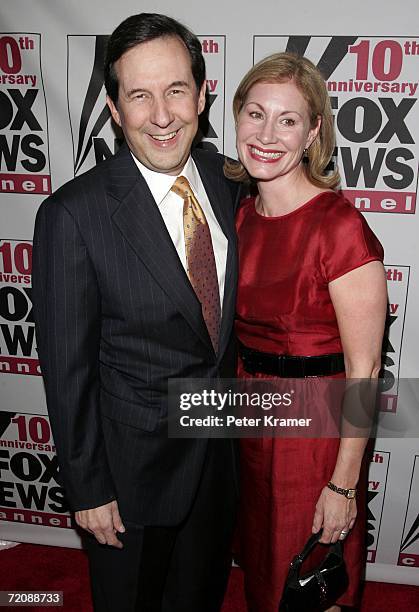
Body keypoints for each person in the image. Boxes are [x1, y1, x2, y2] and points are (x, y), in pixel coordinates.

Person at [32, 13, 241, 612]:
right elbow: (66, 372)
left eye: (176, 90)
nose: (162, 114)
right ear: (115, 107)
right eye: (139, 95)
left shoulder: (231, 182)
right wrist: (88, 486)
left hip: (216, 466)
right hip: (129, 480)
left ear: (204, 94)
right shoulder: (73, 216)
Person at [224, 52, 387, 611]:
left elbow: (365, 371)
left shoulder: (338, 226)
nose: (267, 134)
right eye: (255, 113)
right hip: (251, 418)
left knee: (312, 583)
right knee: (266, 572)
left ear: (313, 131)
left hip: (317, 431)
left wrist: (343, 483)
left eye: (288, 120)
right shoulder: (241, 218)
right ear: (236, 118)